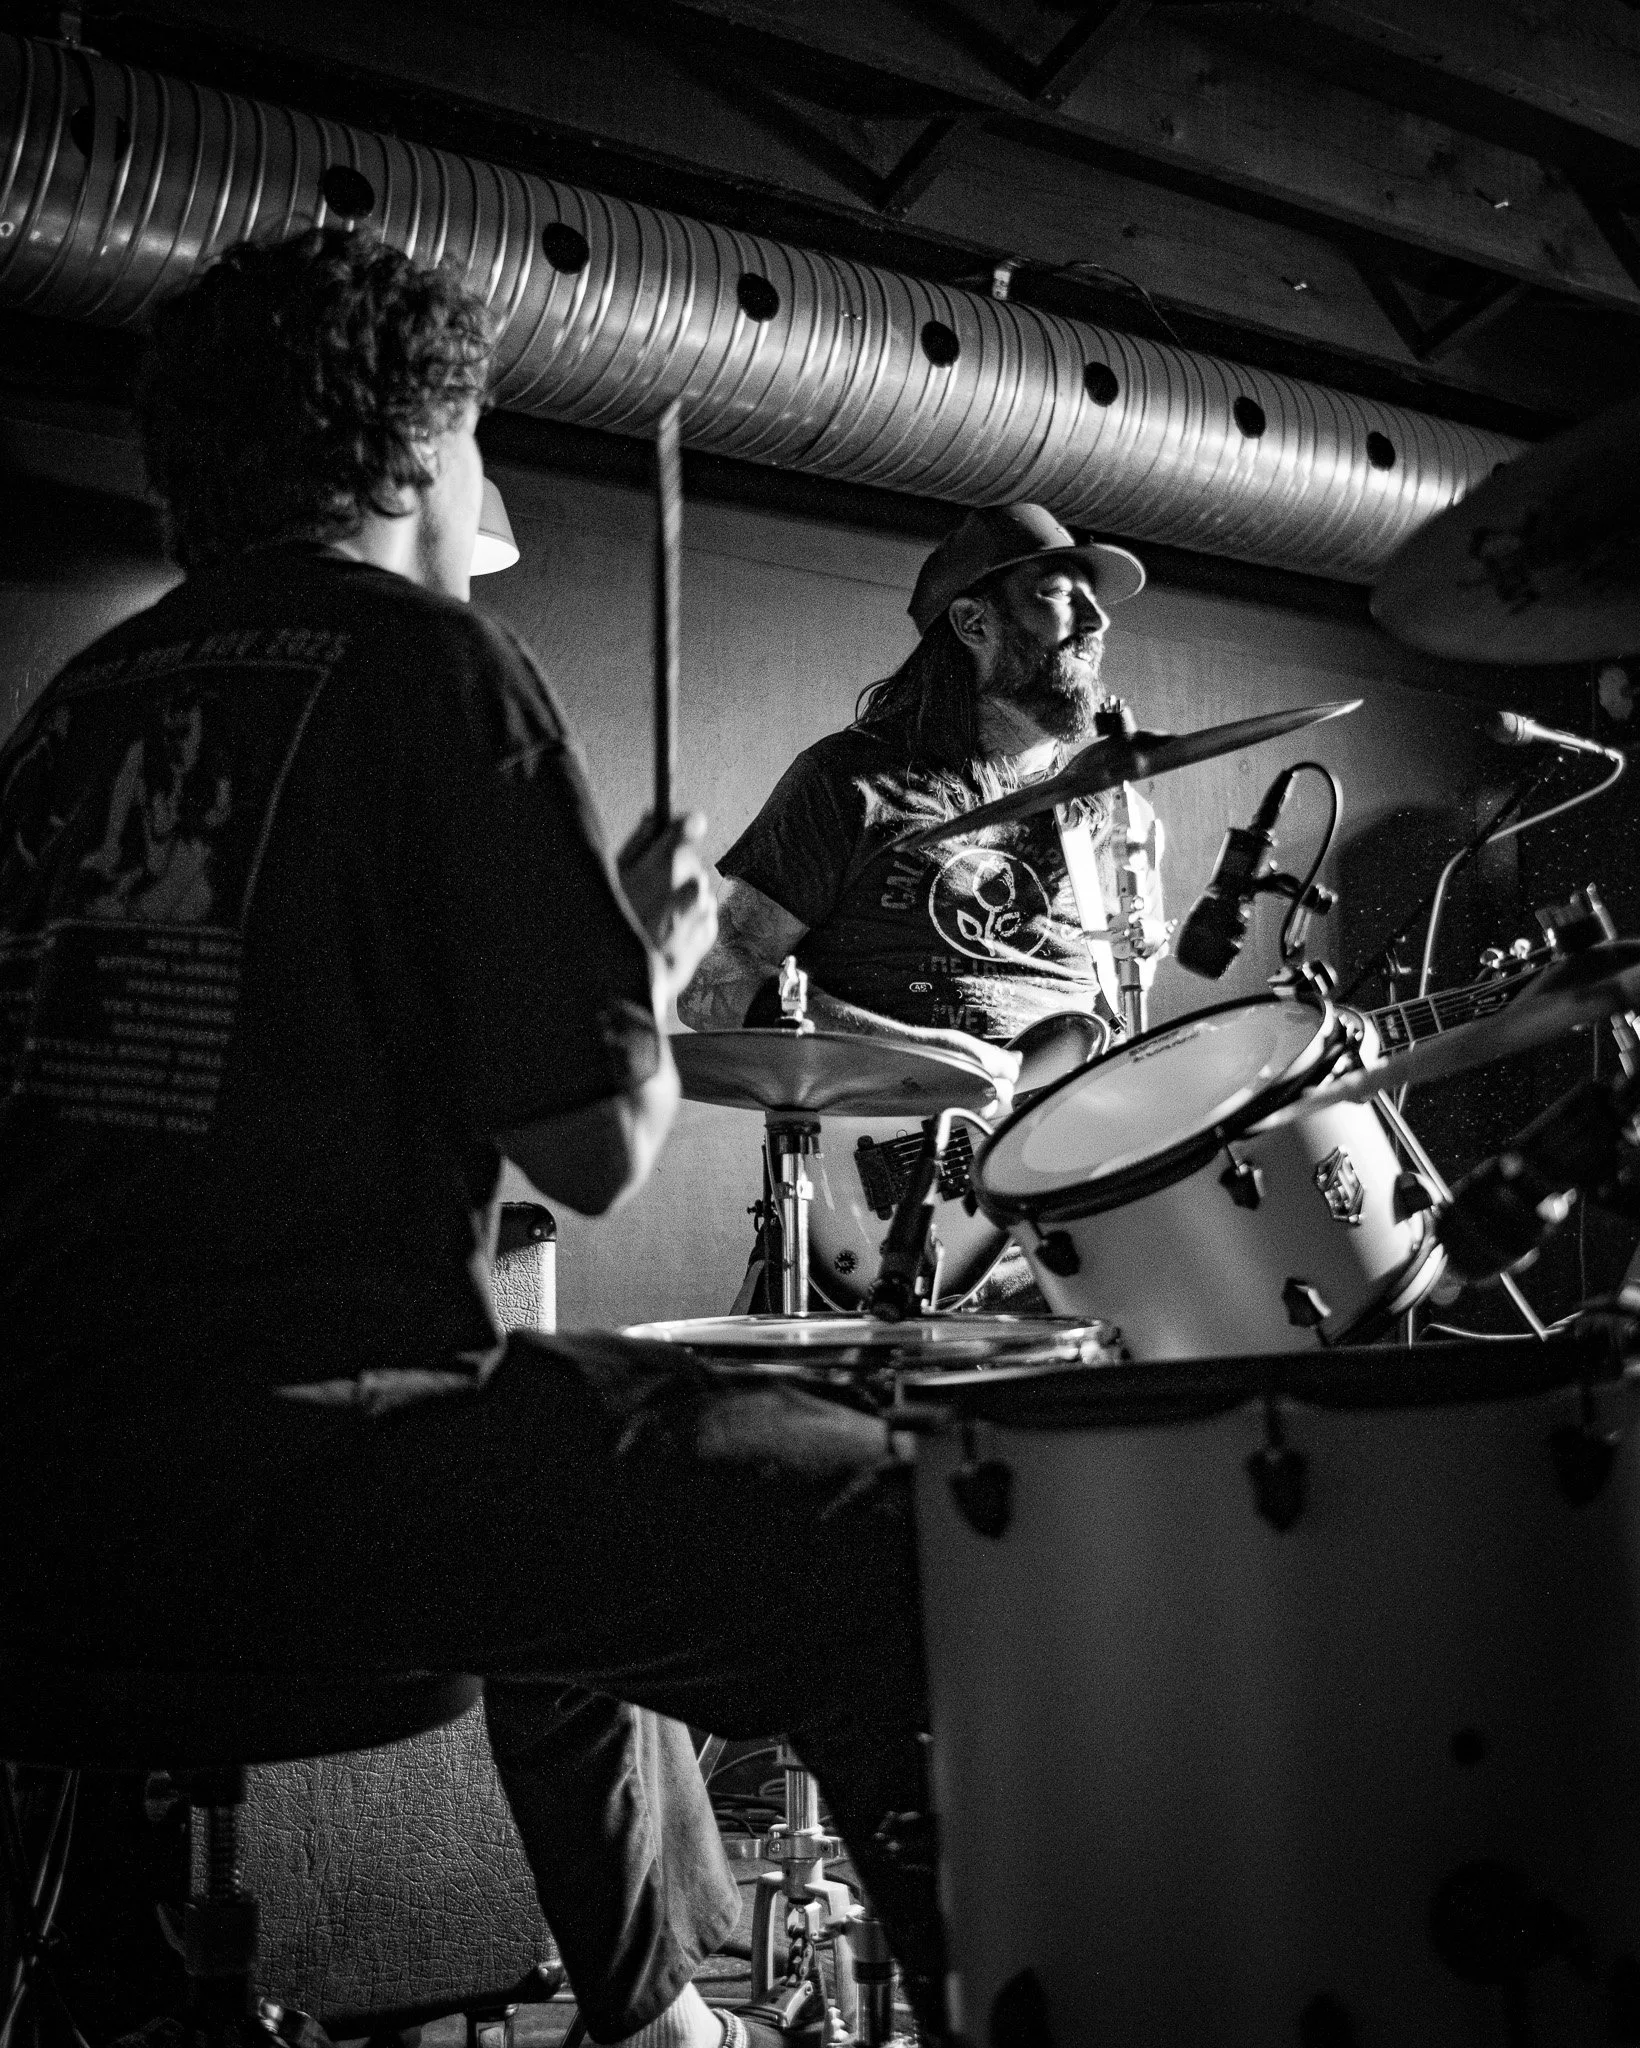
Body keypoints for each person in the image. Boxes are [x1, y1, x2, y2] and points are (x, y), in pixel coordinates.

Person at [0, 230, 945, 2048]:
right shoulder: (435, 663)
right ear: (428, 440)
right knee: (884, 1527)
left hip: (38, 1484)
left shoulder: (76, 711)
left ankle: (658, 2007)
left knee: (585, 1496)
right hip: (298, 1482)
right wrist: (646, 961)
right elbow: (593, 1150)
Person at [678, 503, 1168, 1305]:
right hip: (874, 1222)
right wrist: (929, 1065)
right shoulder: (851, 781)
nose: (1096, 619)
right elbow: (714, 984)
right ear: (973, 622)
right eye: (1057, 594)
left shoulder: (1118, 817)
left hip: (1065, 1239)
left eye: (1097, 601)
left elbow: (1119, 1030)